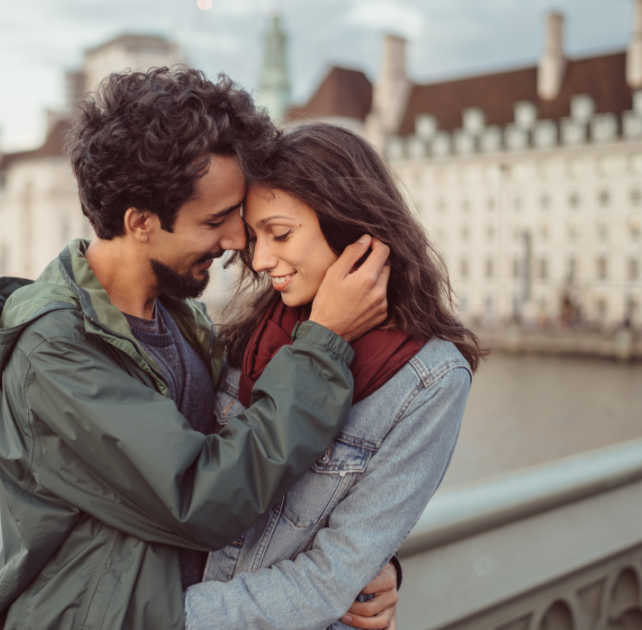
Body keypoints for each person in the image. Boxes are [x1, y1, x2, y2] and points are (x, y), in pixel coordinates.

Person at [0, 68, 395, 630]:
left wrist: (366, 564)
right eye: (215, 220)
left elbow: (267, 459)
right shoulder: (54, 352)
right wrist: (325, 343)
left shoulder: (180, 315)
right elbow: (204, 496)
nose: (237, 241)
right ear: (141, 222)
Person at [183, 122, 485, 630]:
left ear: (350, 225)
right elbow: (186, 491)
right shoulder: (249, 334)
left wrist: (165, 618)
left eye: (280, 234)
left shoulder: (431, 381)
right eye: (255, 237)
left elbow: (330, 578)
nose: (260, 259)